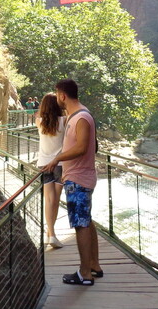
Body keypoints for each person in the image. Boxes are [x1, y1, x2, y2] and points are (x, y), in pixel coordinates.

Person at [42, 79, 102, 286]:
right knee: (86, 220)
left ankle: (85, 274)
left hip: (78, 179)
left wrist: (57, 158)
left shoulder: (81, 117)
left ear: (62, 95)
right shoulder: (75, 116)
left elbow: (84, 147)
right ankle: (94, 265)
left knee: (80, 224)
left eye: (57, 93)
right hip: (79, 177)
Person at [35, 93, 65, 248]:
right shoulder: (64, 121)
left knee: (48, 200)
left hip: (43, 164)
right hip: (60, 164)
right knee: (56, 200)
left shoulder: (39, 121)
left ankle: (50, 233)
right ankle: (52, 234)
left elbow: (41, 116)